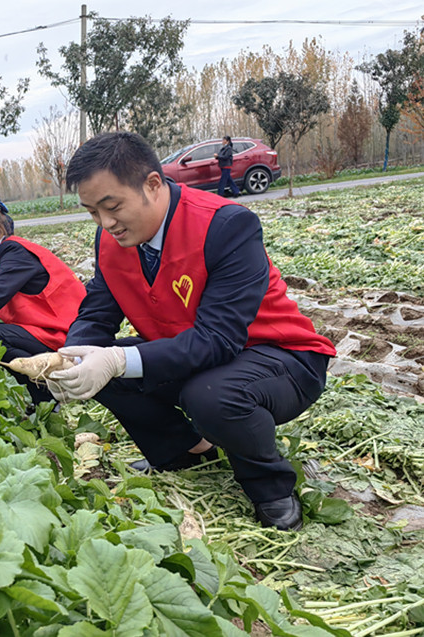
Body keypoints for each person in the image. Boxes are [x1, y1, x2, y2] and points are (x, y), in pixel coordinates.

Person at [46, 132, 336, 531]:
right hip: (197, 356)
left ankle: (271, 489)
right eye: (92, 212)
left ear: (152, 184)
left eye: (112, 207)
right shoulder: (112, 242)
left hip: (280, 359)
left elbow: (219, 339)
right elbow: (98, 309)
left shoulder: (226, 226)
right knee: (104, 369)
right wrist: (71, 356)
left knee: (211, 394)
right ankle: (186, 452)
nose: (105, 223)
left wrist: (116, 359)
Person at [0, 198, 87, 404]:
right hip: (62, 331)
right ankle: (50, 391)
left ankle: (48, 398)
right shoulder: (11, 253)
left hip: (73, 338)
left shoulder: (15, 252)